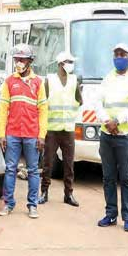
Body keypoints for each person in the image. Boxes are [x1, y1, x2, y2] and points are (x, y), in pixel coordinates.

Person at [96, 43, 128, 233]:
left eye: (122, 54)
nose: (119, 57)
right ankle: (110, 214)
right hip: (107, 135)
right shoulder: (107, 79)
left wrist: (117, 121)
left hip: (125, 136)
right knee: (108, 177)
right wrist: (107, 121)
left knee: (126, 178)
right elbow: (97, 103)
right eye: (116, 54)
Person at [0, 44, 48, 218]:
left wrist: (42, 136)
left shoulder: (38, 83)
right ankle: (8, 203)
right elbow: (3, 109)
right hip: (12, 133)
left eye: (22, 59)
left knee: (33, 170)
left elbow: (43, 110)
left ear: (30, 61)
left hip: (32, 134)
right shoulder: (9, 81)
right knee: (10, 169)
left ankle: (32, 205)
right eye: (16, 59)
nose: (18, 62)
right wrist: (1, 133)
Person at [40, 52, 81, 207]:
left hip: (68, 128)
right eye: (67, 61)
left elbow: (79, 100)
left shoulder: (74, 80)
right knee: (47, 163)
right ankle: (44, 192)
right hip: (51, 129)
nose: (70, 64)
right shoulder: (49, 81)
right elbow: (42, 104)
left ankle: (68, 194)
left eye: (71, 61)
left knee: (69, 164)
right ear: (60, 63)